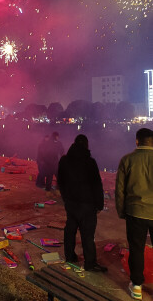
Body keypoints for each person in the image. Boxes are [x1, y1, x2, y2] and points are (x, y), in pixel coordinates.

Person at [57, 134, 107, 272]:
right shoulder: (90, 162)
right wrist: (99, 205)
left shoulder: (64, 161)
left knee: (70, 231)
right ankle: (90, 263)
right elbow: (97, 185)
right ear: (86, 145)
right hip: (87, 204)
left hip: (71, 203)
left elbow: (60, 181)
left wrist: (65, 198)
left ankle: (70, 257)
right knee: (87, 235)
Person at [115, 128, 153, 300]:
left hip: (135, 212)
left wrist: (122, 211)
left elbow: (120, 190)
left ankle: (136, 286)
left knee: (136, 249)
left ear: (137, 141)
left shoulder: (127, 160)